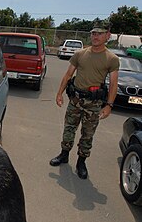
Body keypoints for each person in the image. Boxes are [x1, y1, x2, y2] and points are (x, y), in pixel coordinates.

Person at [49, 21, 119, 179]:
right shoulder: (80, 54)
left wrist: (109, 106)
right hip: (75, 99)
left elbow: (114, 84)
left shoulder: (111, 58)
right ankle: (64, 155)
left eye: (100, 33)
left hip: (93, 104)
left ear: (107, 36)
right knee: (68, 129)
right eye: (94, 33)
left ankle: (81, 162)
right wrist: (59, 93)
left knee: (87, 134)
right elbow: (68, 75)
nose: (95, 36)